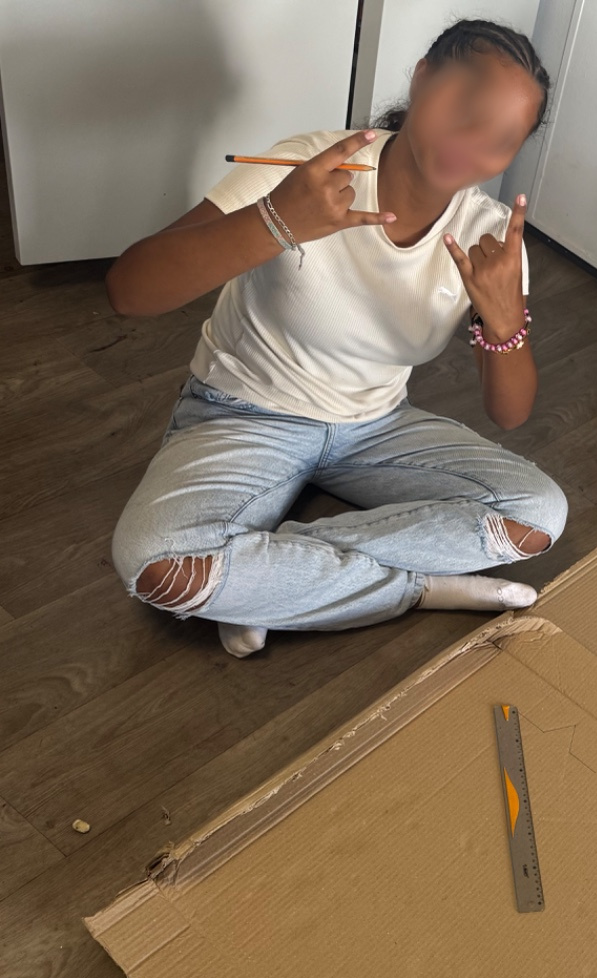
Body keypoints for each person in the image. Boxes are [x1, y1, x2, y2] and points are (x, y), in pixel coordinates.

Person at [107, 20, 566, 658]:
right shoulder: (309, 169)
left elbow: (509, 413)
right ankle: (417, 588)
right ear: (422, 77)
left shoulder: (487, 236)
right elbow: (128, 291)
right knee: (157, 563)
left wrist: (505, 320)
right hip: (245, 411)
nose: (472, 144)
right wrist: (276, 221)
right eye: (466, 109)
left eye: (502, 140)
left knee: (537, 515)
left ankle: (269, 583)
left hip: (375, 426)